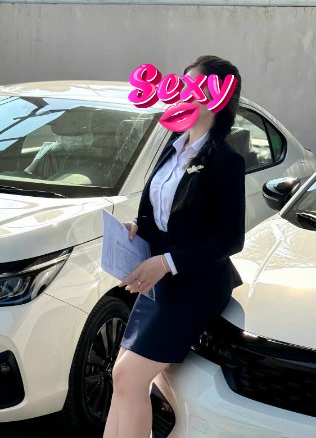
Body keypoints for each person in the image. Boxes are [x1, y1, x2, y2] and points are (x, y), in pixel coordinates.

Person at [103, 55, 246, 438]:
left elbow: (230, 239)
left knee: (130, 378)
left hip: (195, 288)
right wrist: (138, 227)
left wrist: (167, 262)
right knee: (122, 377)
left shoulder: (226, 161)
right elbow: (160, 213)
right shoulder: (173, 146)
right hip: (160, 283)